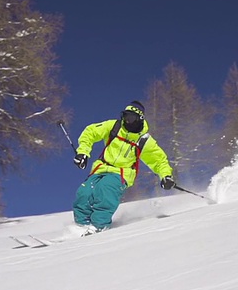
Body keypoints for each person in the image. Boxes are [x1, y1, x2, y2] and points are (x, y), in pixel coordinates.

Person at [71, 100, 175, 235]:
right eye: (125, 116)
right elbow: (90, 132)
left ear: (139, 119)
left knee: (106, 189)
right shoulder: (114, 126)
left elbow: (159, 159)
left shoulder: (143, 140)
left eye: (131, 118)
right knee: (84, 193)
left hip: (121, 173)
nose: (127, 121)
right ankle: (81, 225)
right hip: (100, 168)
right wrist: (83, 153)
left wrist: (165, 176)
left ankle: (99, 225)